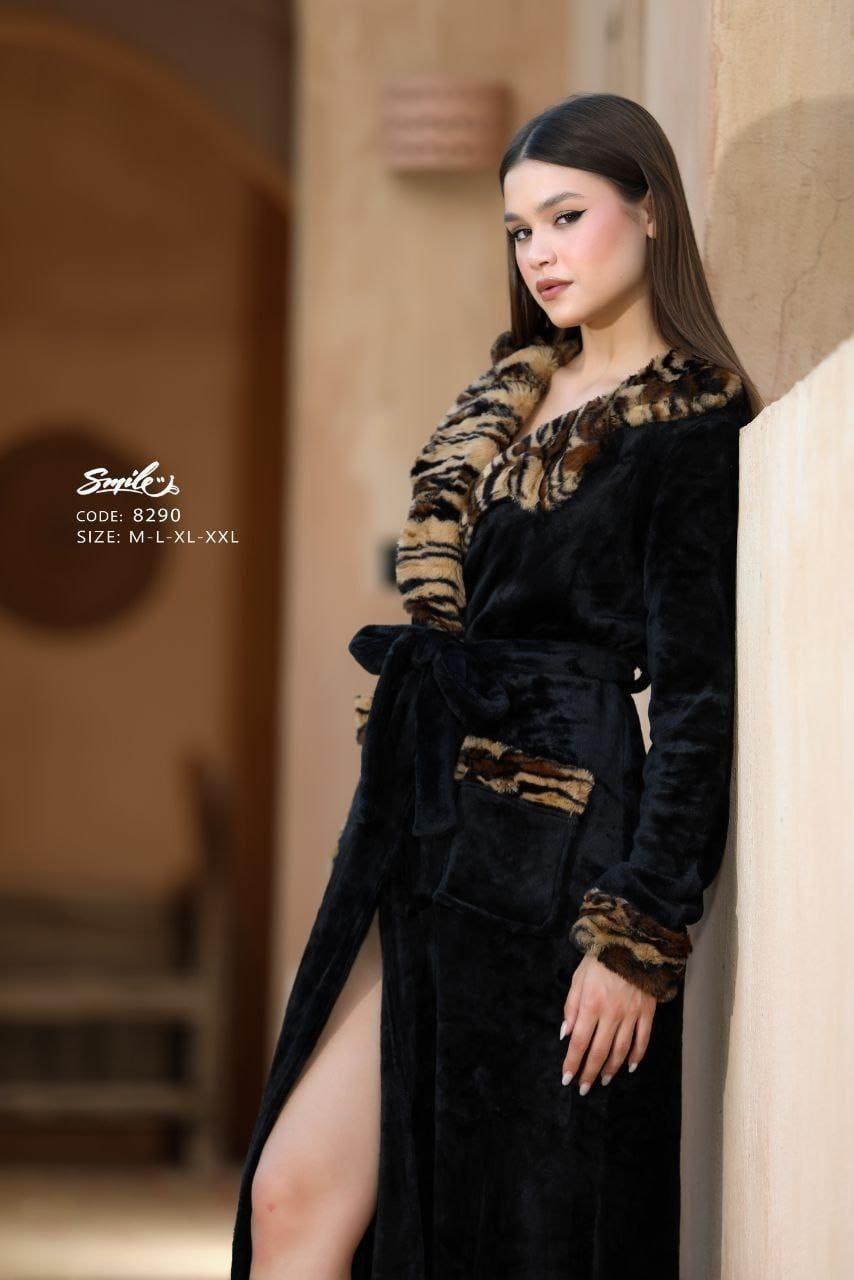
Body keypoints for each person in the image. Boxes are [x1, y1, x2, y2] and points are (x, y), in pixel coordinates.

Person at [231, 91, 762, 1280]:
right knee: (291, 1193)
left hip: (557, 860)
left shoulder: (687, 428)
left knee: (511, 1225)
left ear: (650, 211)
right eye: (520, 230)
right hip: (419, 832)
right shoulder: (507, 399)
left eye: (566, 217)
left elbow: (695, 701)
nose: (539, 253)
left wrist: (637, 933)